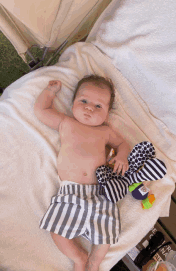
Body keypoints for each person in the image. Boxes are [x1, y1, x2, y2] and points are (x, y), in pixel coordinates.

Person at [34, 75, 131, 271]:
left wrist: (122, 156)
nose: (89, 108)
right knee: (57, 232)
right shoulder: (66, 122)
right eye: (84, 101)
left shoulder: (105, 131)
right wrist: (49, 93)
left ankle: (94, 262)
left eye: (98, 106)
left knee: (107, 230)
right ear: (73, 103)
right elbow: (41, 111)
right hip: (70, 192)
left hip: (100, 192)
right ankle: (79, 257)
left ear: (107, 114)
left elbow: (123, 144)